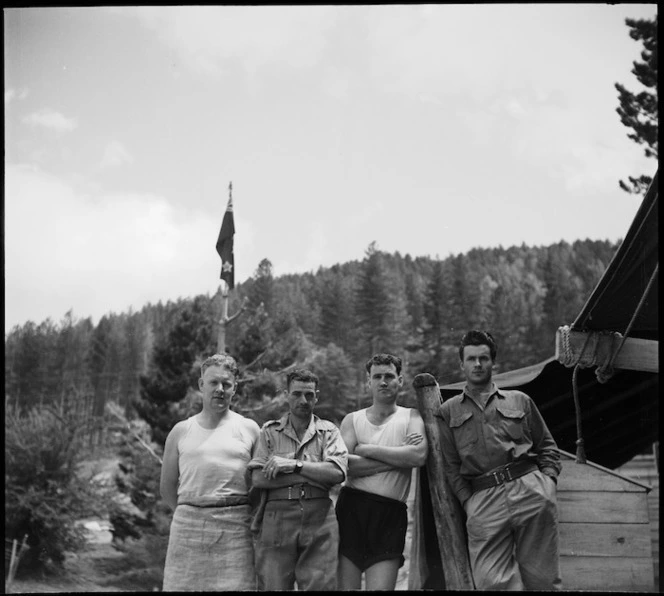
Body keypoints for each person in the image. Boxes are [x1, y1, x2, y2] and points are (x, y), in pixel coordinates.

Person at [438, 330, 562, 590]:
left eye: (484, 358)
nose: (478, 364)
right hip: (483, 499)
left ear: (494, 362)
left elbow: (547, 446)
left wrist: (547, 484)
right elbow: (450, 465)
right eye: (471, 359)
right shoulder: (448, 411)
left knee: (541, 579)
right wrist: (468, 501)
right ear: (461, 365)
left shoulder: (520, 400)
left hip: (530, 490)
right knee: (490, 581)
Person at [160, 353, 260, 591]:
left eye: (226, 384)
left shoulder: (249, 429)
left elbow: (258, 486)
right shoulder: (181, 431)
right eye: (213, 382)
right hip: (188, 530)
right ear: (201, 385)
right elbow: (167, 488)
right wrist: (195, 512)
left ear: (234, 388)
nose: (220, 389)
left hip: (236, 531)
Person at [248, 369, 348, 591]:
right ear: (286, 395)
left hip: (320, 515)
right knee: (273, 585)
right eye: (296, 394)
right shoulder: (269, 432)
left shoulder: (328, 432)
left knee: (321, 585)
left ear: (317, 396)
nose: (303, 400)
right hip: (277, 517)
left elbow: (337, 473)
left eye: (309, 395)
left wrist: (294, 465)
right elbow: (258, 478)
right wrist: (313, 474)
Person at [337, 353, 428, 591]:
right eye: (377, 377)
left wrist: (367, 449)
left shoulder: (412, 416)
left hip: (390, 514)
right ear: (368, 382)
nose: (383, 381)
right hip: (351, 512)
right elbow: (346, 466)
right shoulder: (352, 420)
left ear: (400, 379)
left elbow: (418, 456)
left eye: (389, 376)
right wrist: (400, 457)